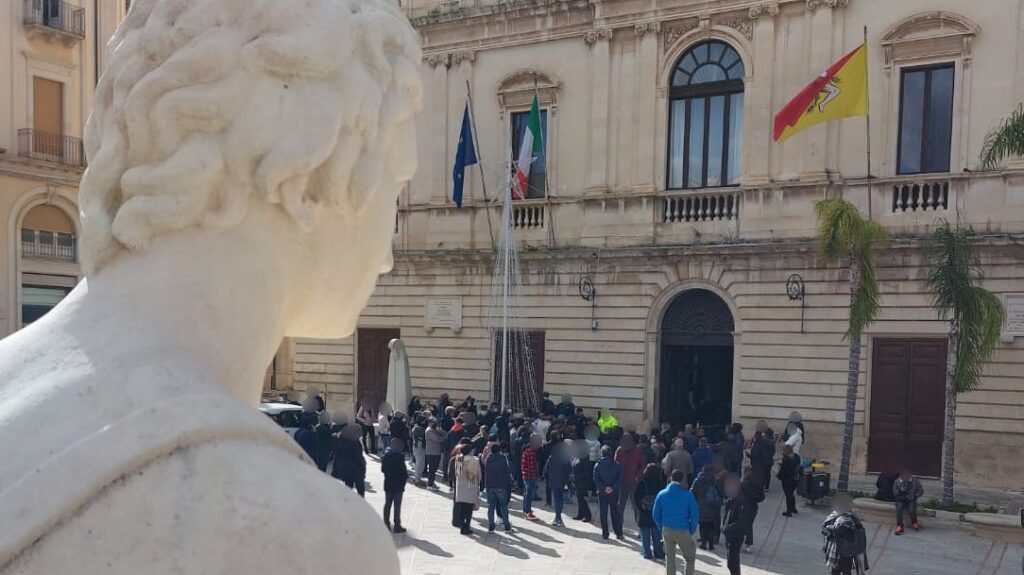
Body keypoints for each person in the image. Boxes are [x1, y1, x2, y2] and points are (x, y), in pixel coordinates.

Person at [653, 469, 700, 575]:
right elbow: (695, 514)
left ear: (670, 478)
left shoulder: (661, 494)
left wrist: (661, 526)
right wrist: (691, 529)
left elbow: (655, 514)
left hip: (667, 528)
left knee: (670, 558)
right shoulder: (688, 495)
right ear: (683, 479)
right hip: (683, 529)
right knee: (690, 557)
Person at [822, 493, 869, 575]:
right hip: (837, 548)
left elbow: (840, 530)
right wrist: (828, 531)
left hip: (846, 549)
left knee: (845, 569)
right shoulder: (835, 515)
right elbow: (824, 528)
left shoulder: (847, 517)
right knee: (835, 569)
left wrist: (829, 528)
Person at [634, 463, 668, 561]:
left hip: (644, 512)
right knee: (657, 535)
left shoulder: (642, 482)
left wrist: (641, 508)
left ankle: (647, 553)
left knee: (645, 535)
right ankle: (658, 553)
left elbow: (636, 497)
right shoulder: (660, 483)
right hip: (656, 512)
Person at [722, 474, 752, 575]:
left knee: (732, 561)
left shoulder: (742, 502)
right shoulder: (731, 500)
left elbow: (741, 522)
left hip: (736, 535)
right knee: (731, 561)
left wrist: (727, 529)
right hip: (729, 535)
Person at [593, 445, 624, 540]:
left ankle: (605, 533)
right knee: (615, 512)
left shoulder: (597, 465)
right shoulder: (617, 465)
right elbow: (620, 478)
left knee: (603, 512)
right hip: (614, 492)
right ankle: (618, 532)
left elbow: (596, 479)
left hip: (602, 492)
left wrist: (604, 488)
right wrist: (612, 487)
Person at [615, 433, 646, 522]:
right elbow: (616, 464)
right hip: (622, 481)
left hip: (633, 482)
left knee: (636, 504)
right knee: (621, 503)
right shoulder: (619, 450)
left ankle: (639, 525)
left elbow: (643, 465)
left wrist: (638, 476)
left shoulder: (638, 451)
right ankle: (619, 525)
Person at [691, 464, 722, 550]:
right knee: (711, 525)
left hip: (700, 505)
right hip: (712, 506)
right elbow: (721, 492)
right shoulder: (715, 480)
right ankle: (711, 544)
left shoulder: (697, 481)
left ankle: (703, 543)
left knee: (703, 525)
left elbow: (692, 492)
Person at [485, 441, 514, 532]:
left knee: (491, 507)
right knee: (503, 507)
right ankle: (506, 526)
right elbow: (507, 472)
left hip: (490, 486)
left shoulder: (488, 459)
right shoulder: (503, 459)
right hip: (501, 486)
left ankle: (490, 526)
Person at [381, 438, 408, 533]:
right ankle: (397, 525)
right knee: (397, 505)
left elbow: (383, 470)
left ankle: (386, 524)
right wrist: (404, 481)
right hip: (398, 484)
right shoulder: (400, 457)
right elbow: (404, 473)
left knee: (387, 504)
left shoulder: (385, 456)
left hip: (388, 483)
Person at [332, 422, 367, 496]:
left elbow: (337, 455)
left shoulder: (342, 440)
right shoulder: (355, 442)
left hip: (346, 469)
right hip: (356, 469)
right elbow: (358, 456)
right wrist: (363, 465)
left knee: (348, 488)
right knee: (360, 490)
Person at [544, 441, 573, 526]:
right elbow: (569, 470)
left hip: (553, 480)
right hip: (563, 481)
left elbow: (546, 469)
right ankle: (558, 517)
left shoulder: (551, 458)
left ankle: (558, 517)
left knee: (556, 498)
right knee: (560, 499)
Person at [454, 450, 481, 535]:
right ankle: (467, 526)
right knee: (469, 509)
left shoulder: (459, 459)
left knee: (462, 509)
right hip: (471, 486)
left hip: (461, 487)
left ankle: (462, 527)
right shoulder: (474, 460)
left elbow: (457, 473)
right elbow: (479, 475)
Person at [740, 468, 765, 552]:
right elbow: (762, 497)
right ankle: (748, 544)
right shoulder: (757, 484)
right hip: (753, 507)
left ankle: (739, 542)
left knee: (741, 525)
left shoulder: (742, 484)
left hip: (743, 507)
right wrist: (755, 499)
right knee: (749, 525)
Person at [892, 467, 924, 534]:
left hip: (911, 499)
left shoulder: (915, 481)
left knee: (912, 510)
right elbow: (895, 492)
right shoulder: (897, 481)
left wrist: (915, 496)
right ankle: (899, 526)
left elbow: (921, 490)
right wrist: (899, 496)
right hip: (900, 499)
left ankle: (914, 522)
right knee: (899, 510)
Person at [571, 443, 594, 522]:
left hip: (582, 482)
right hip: (577, 481)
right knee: (579, 499)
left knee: (583, 499)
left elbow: (586, 472)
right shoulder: (577, 457)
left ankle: (587, 515)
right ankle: (580, 514)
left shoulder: (584, 459)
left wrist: (579, 477)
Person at [521, 433, 541, 520]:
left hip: (525, 475)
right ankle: (527, 511)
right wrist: (535, 475)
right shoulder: (531, 453)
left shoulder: (525, 451)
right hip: (530, 476)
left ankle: (525, 510)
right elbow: (532, 466)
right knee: (529, 494)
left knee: (526, 494)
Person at [777, 444, 801, 517]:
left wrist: (779, 476)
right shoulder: (797, 457)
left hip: (787, 480)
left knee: (788, 495)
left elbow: (784, 471)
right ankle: (793, 508)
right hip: (795, 479)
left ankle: (789, 511)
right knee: (791, 494)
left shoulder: (786, 460)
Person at [424, 416, 445, 489]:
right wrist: (443, 438)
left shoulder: (435, 429)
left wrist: (439, 429)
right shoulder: (429, 431)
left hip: (437, 452)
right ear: (429, 423)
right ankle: (430, 485)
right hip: (431, 453)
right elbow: (437, 439)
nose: (434, 423)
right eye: (432, 422)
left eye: (435, 422)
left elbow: (444, 434)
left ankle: (432, 483)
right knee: (432, 469)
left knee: (434, 469)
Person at [757, 421, 776, 491]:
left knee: (762, 473)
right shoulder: (772, 442)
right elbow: (773, 451)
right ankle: (767, 486)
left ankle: (761, 486)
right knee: (768, 474)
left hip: (762, 459)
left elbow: (759, 450)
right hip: (769, 459)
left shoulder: (763, 440)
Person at [411, 414, 427, 484]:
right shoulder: (418, 428)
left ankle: (418, 478)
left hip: (419, 447)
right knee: (420, 464)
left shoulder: (417, 426)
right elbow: (424, 434)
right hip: (419, 447)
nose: (425, 422)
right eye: (424, 420)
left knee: (421, 464)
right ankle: (417, 479)